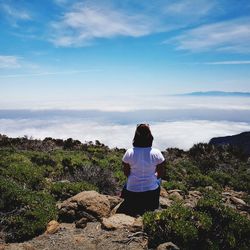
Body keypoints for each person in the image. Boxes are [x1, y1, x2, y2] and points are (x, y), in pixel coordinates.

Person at [117, 124, 166, 216]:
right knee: (159, 180)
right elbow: (160, 173)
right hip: (151, 193)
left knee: (129, 179)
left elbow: (126, 173)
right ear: (150, 136)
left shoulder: (129, 152)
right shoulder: (156, 153)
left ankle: (125, 198)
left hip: (132, 192)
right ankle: (154, 204)